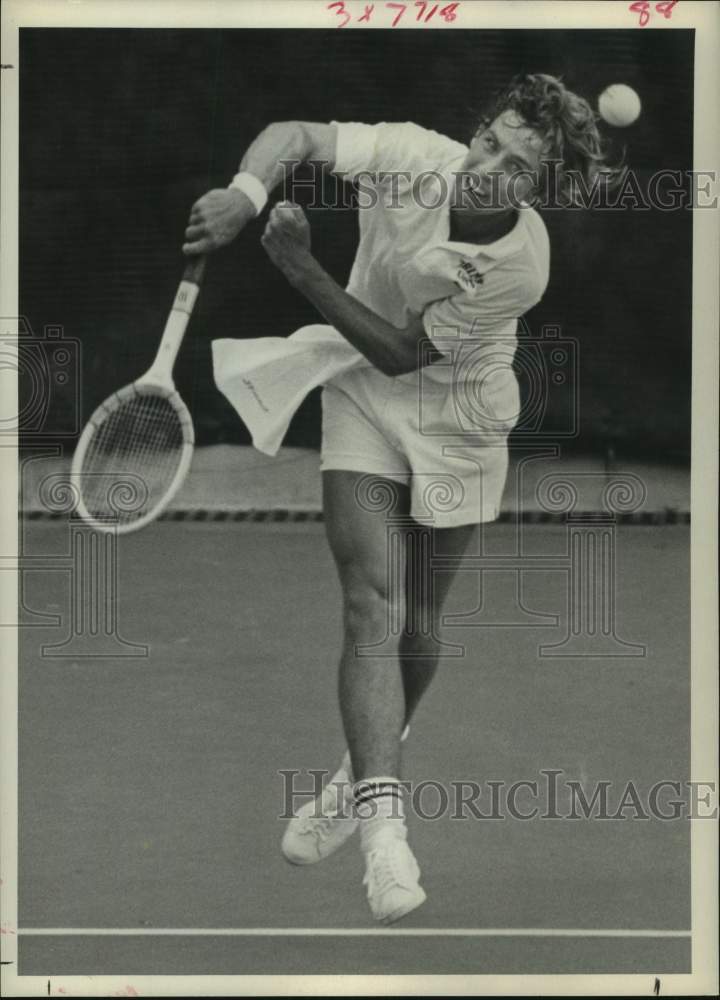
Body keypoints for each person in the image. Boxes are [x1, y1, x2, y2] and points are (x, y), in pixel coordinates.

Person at [183, 74, 616, 924]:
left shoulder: (519, 263)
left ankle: (355, 779)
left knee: (419, 622)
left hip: (456, 413)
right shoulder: (418, 157)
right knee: (370, 607)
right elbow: (296, 129)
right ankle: (387, 837)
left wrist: (303, 269)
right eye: (488, 141)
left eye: (514, 165)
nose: (484, 166)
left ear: (539, 191)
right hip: (360, 399)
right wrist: (245, 192)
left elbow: (403, 351)